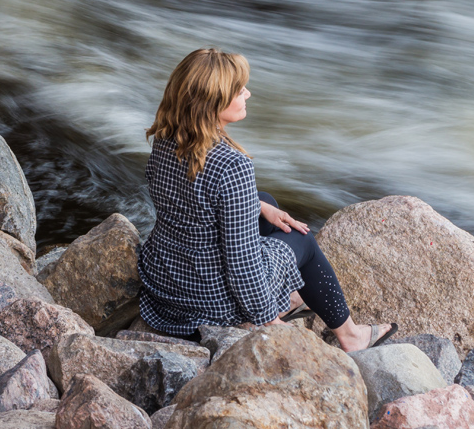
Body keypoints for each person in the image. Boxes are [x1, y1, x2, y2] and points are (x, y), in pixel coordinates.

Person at [137, 47, 396, 352]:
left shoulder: (167, 138)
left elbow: (191, 201)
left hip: (165, 283)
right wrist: (268, 320)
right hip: (209, 306)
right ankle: (352, 336)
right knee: (302, 240)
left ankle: (293, 290)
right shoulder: (232, 165)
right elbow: (241, 263)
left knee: (265, 200)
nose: (248, 93)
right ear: (212, 101)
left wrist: (261, 207)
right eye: (238, 89)